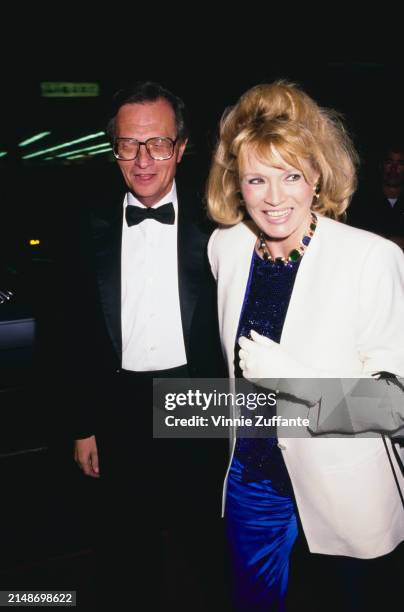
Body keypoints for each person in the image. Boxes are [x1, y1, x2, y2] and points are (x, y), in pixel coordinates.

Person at [206, 80, 404, 611]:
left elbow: (393, 407)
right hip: (253, 478)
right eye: (256, 179)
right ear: (236, 183)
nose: (274, 198)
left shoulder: (371, 258)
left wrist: (292, 379)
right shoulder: (225, 247)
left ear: (316, 176)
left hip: (342, 480)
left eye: (291, 175)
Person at [70, 81, 226, 609]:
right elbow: (72, 334)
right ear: (112, 148)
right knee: (123, 550)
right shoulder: (84, 223)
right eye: (129, 145)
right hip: (120, 405)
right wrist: (82, 425)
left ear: (181, 148)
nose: (142, 160)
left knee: (209, 541)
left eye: (157, 144)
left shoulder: (221, 225)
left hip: (196, 397)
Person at [347, 142, 404, 249]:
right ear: (381, 166)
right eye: (389, 162)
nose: (393, 169)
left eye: (400, 163)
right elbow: (355, 237)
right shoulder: (362, 201)